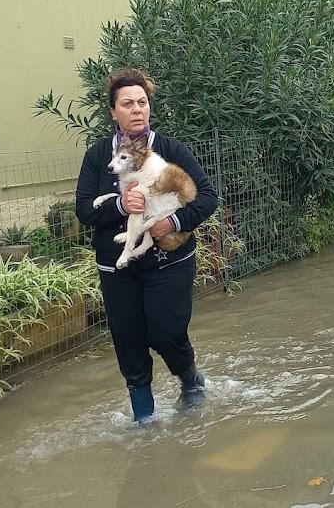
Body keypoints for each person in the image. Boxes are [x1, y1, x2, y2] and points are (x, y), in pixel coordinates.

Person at [75, 68, 219, 422]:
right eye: (127, 103)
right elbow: (83, 210)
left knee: (167, 333)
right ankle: (144, 419)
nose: (137, 109)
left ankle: (191, 382)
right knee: (128, 342)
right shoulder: (98, 157)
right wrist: (121, 206)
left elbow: (208, 198)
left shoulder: (170, 150)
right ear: (113, 112)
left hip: (169, 263)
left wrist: (172, 223)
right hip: (117, 268)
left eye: (142, 102)